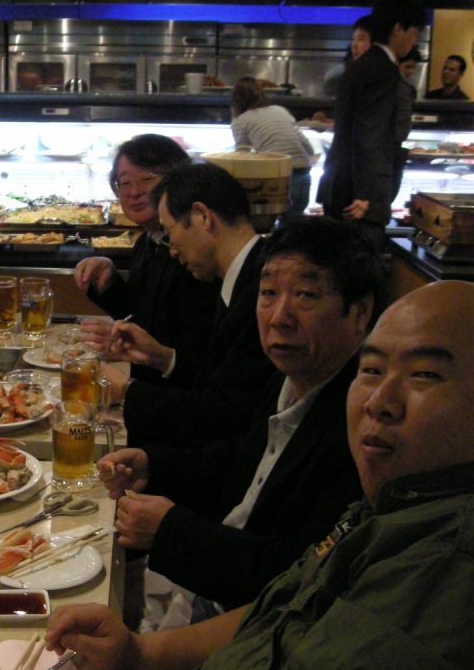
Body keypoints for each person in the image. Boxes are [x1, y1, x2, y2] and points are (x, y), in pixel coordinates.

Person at [46, 280, 474, 670]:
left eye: (425, 374)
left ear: (358, 312)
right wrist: (137, 652)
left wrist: (172, 531)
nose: (380, 401)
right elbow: (287, 609)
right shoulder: (392, 502)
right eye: (372, 370)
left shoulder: (437, 593)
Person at [101, 217, 383, 632]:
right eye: (269, 293)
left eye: (306, 295)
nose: (279, 317)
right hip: (198, 589)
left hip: (242, 628)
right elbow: (241, 459)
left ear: (360, 312)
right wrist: (153, 464)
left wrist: (172, 532)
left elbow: (300, 579)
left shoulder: (365, 428)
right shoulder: (289, 378)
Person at [111, 162, 275, 449]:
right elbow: (220, 383)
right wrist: (162, 358)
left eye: (169, 232)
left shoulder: (264, 292)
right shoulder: (242, 276)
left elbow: (227, 413)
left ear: (202, 217)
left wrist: (127, 392)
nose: (172, 250)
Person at [72, 135, 219, 388]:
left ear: (178, 180)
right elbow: (140, 314)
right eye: (124, 183)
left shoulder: (194, 252)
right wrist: (109, 280)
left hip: (179, 395)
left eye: (147, 179)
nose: (134, 192)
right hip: (148, 389)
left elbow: (198, 350)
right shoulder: (147, 242)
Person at [317, 0, 426, 247]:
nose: (414, 41)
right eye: (414, 32)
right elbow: (372, 134)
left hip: (339, 185)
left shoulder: (358, 66)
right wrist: (368, 194)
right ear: (398, 29)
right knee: (358, 263)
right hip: (358, 199)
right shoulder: (384, 70)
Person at [230, 77, 315, 216]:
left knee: (274, 213)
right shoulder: (280, 110)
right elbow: (304, 142)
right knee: (297, 212)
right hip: (302, 167)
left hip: (276, 171)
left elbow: (242, 155)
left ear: (235, 100)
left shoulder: (239, 121)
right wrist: (310, 155)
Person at [392, 47, 422, 201]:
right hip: (392, 150)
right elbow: (402, 125)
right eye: (407, 67)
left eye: (413, 68)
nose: (410, 72)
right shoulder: (402, 88)